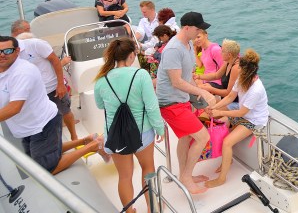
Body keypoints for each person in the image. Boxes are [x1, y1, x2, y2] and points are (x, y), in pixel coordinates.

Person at [0, 36, 109, 175]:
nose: (2, 54)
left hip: (42, 124)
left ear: (17, 51)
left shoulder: (22, 71)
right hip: (27, 127)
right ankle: (86, 140)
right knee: (38, 156)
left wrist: (60, 84)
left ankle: (94, 146)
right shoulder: (5, 70)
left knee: (45, 169)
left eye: (7, 51)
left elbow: (15, 107)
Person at [94, 37, 165, 213]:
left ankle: (130, 211)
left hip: (115, 134)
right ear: (132, 55)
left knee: (124, 176)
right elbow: (151, 106)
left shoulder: (102, 79)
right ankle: (151, 209)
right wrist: (160, 128)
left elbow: (100, 105)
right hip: (143, 132)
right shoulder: (140, 75)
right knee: (148, 169)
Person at [155, 12, 217, 194]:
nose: (201, 32)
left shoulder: (188, 44)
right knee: (202, 137)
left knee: (186, 137)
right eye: (198, 28)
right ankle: (186, 177)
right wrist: (203, 92)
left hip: (181, 99)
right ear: (187, 28)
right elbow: (176, 81)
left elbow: (187, 76)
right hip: (170, 102)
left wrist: (198, 97)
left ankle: (184, 174)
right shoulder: (174, 49)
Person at [205, 48, 268, 188]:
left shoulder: (256, 89)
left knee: (227, 142)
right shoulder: (242, 79)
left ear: (248, 71)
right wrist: (215, 108)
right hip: (243, 113)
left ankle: (221, 179)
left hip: (254, 120)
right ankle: (228, 160)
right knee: (216, 117)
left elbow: (241, 113)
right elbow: (230, 97)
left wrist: (222, 114)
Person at [11, 19, 78, 141]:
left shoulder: (37, 44)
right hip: (32, 92)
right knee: (45, 118)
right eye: (27, 30)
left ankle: (74, 137)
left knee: (65, 111)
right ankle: (56, 141)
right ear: (16, 32)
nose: (30, 32)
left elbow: (55, 61)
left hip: (52, 88)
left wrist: (60, 85)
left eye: (29, 29)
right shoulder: (10, 52)